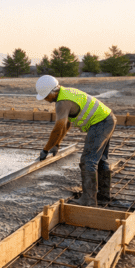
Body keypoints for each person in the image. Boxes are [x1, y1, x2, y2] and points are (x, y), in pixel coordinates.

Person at [35, 75, 116, 207]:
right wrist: (56, 144)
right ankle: (103, 196)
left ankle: (88, 200)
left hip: (100, 123)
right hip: (108, 119)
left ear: (52, 92)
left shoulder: (62, 102)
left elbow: (58, 128)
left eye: (45, 96)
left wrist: (45, 149)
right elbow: (66, 125)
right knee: (100, 159)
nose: (44, 99)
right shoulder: (66, 93)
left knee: (88, 161)